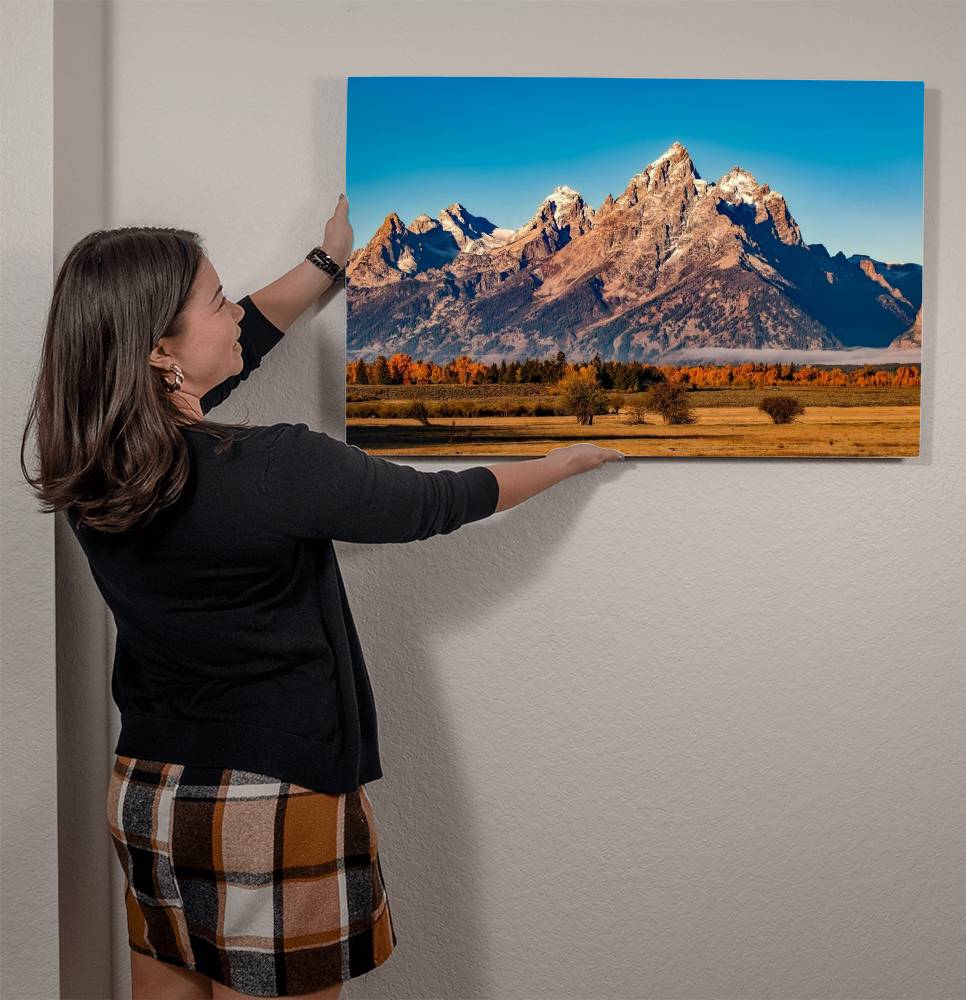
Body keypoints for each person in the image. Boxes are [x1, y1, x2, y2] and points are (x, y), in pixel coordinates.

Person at [20, 193, 625, 1000]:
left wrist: (326, 263)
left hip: (150, 796)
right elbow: (430, 505)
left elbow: (238, 347)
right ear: (162, 350)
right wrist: (564, 464)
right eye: (215, 300)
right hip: (270, 800)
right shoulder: (277, 468)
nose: (236, 310)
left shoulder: (95, 468)